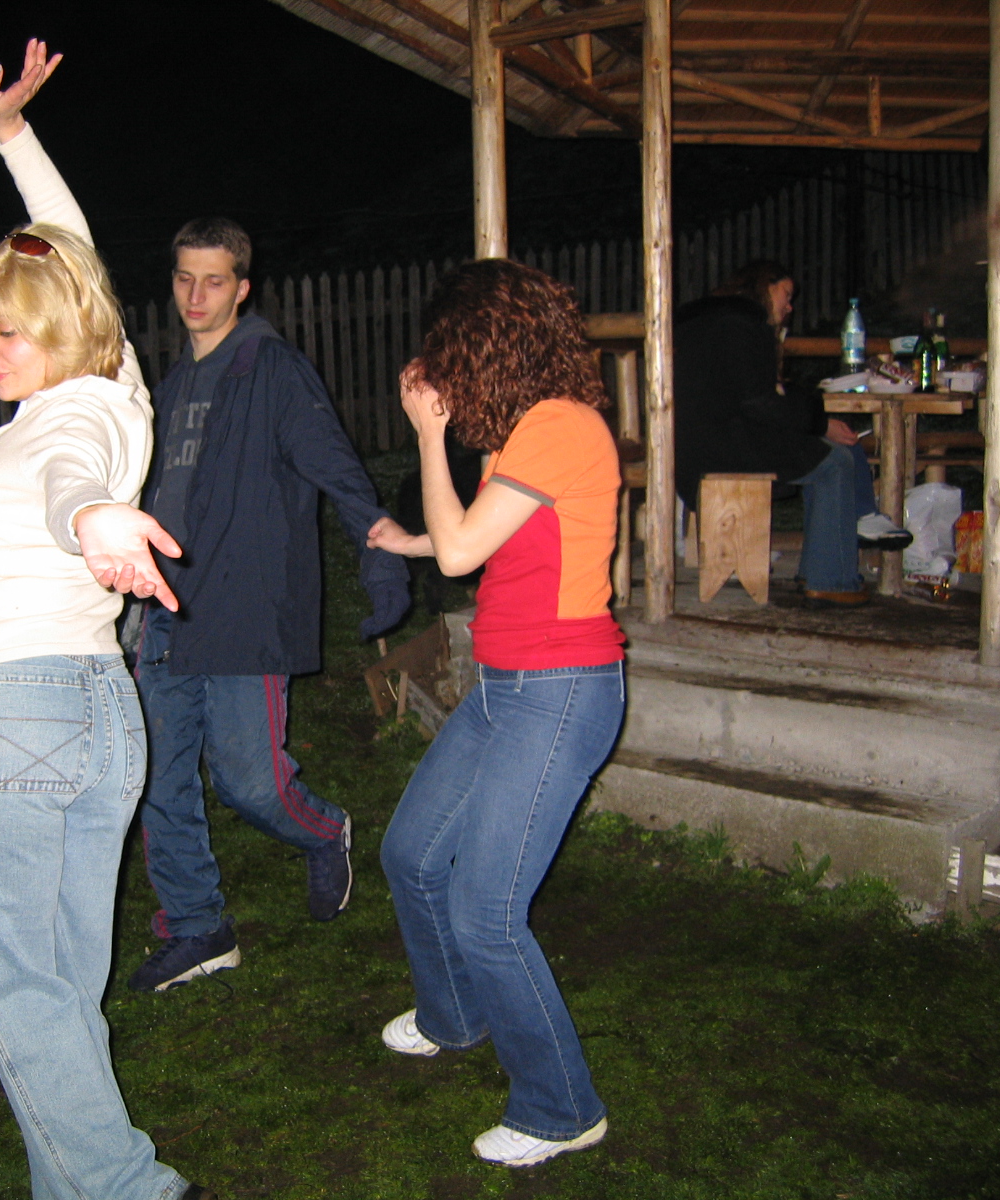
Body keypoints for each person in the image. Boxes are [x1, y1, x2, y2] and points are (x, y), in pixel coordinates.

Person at [0, 108, 411, 994]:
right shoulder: (174, 382)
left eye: (214, 282)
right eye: (185, 279)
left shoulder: (273, 371)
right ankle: (197, 925)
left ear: (242, 288)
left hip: (246, 609)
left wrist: (379, 554)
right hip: (166, 615)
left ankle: (325, 829)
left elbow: (338, 469)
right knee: (157, 781)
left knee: (252, 782)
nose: (195, 296)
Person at [0, 40, 214, 1200]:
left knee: (23, 994)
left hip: (20, 717)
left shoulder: (71, 422)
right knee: (59, 993)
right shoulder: (116, 388)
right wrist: (13, 137)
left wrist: (94, 518)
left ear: (59, 327)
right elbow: (72, 247)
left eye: (6, 330)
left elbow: (73, 482)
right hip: (96, 715)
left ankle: (132, 1189)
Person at [366, 260, 624, 1168]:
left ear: (488, 344)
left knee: (486, 911)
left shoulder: (560, 426)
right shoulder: (528, 431)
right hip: (507, 685)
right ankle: (456, 1016)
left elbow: (462, 552)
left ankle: (562, 1107)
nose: (440, 367)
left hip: (560, 690)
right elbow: (482, 547)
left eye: (449, 349)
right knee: (411, 854)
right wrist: (415, 537)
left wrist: (429, 436)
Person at [674, 261, 910, 608]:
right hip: (721, 446)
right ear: (764, 286)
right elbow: (759, 402)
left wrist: (813, 419)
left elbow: (754, 393)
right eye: (786, 295)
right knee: (834, 461)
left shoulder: (705, 320)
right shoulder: (742, 325)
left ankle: (835, 551)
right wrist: (819, 423)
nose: (790, 306)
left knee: (833, 449)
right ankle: (831, 580)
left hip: (696, 442)